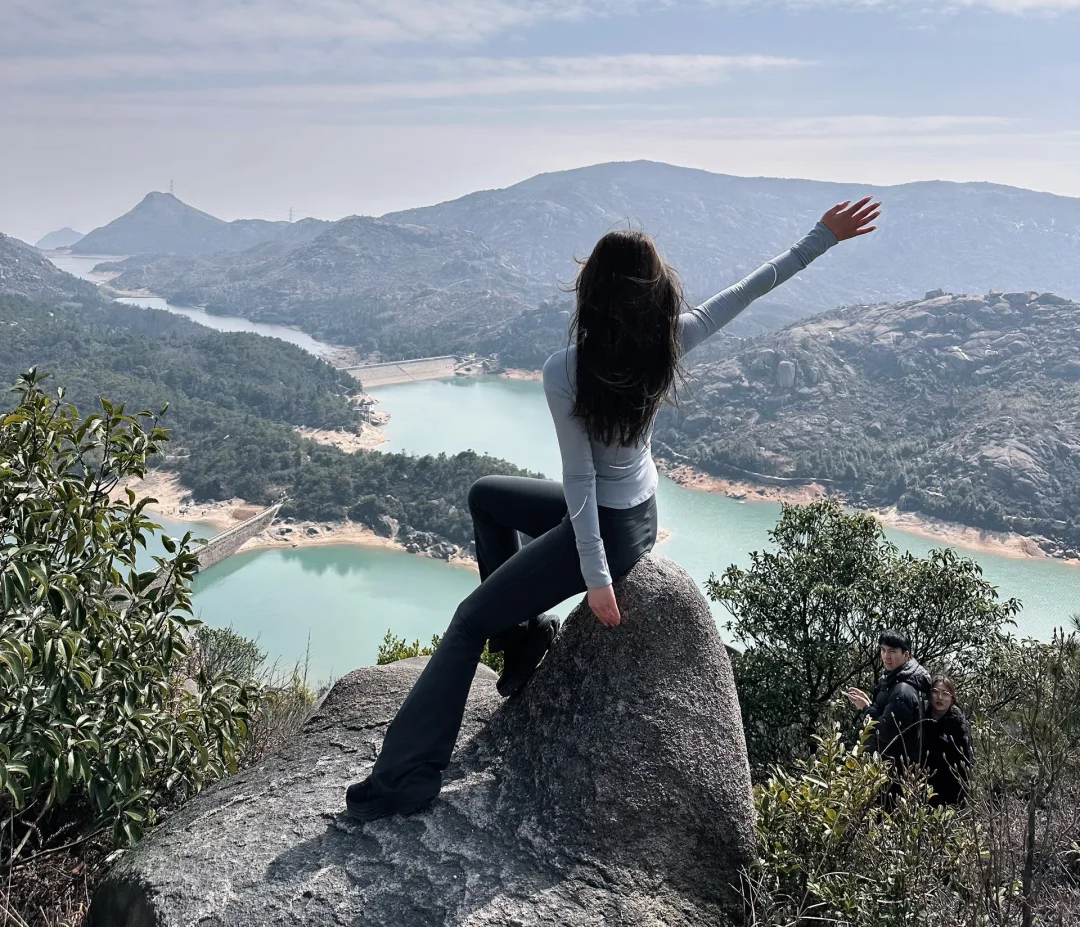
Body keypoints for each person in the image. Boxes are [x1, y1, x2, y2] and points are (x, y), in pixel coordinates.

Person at [346, 195, 882, 821]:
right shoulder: (670, 340)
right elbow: (750, 290)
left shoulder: (566, 369)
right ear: (654, 293)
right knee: (486, 497)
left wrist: (597, 580)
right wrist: (820, 237)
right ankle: (523, 645)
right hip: (638, 515)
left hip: (606, 528)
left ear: (591, 295)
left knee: (468, 623)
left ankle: (405, 781)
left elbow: (579, 483)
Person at [845, 630, 932, 774]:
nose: (886, 656)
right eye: (883, 650)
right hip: (887, 769)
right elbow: (886, 716)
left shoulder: (903, 690)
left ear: (906, 654)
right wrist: (869, 704)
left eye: (892, 651)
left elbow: (885, 733)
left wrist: (866, 708)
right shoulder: (892, 680)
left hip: (893, 772)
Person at [921, 675, 973, 806]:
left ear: (952, 699)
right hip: (921, 788)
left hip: (948, 793)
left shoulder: (958, 725)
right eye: (935, 691)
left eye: (945, 693)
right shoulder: (920, 715)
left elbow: (966, 764)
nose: (939, 697)